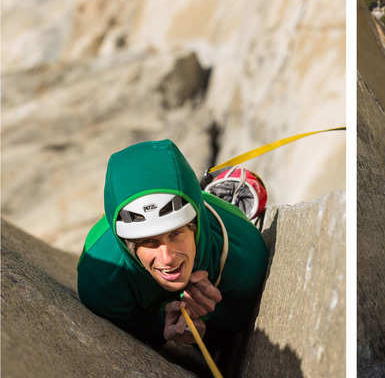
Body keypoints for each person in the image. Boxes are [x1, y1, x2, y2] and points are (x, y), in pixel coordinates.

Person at [77, 139, 269, 349]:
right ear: (128, 244)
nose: (167, 258)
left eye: (175, 233)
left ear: (195, 225)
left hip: (222, 222)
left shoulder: (246, 254)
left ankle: (214, 196)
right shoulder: (99, 278)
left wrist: (211, 317)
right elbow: (132, 327)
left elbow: (236, 327)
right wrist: (161, 324)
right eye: (148, 242)